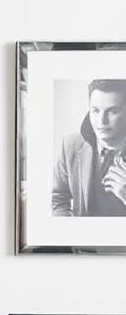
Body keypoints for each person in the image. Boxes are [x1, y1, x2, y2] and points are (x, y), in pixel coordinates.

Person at [52, 78, 126, 216]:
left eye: (112, 111)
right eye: (95, 111)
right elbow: (58, 199)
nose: (102, 122)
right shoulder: (70, 145)